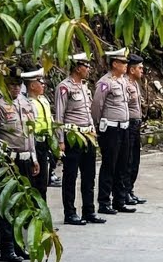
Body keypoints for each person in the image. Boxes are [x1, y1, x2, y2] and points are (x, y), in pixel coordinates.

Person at [0, 72, 40, 262]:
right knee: (6, 204)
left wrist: (34, 157)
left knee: (22, 203)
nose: (15, 88)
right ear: (5, 84)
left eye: (18, 85)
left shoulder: (26, 103)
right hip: (7, 161)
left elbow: (30, 133)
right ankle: (7, 248)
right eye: (12, 85)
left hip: (25, 158)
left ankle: (20, 246)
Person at [55, 53, 102, 225]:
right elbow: (59, 115)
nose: (89, 69)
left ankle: (89, 210)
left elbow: (88, 112)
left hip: (87, 135)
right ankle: (70, 212)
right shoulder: (64, 87)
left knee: (89, 175)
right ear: (77, 67)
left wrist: (93, 130)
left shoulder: (84, 86)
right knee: (70, 176)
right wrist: (61, 140)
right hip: (72, 136)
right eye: (86, 66)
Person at [91, 48, 134, 215]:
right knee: (109, 164)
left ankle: (119, 200)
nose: (126, 65)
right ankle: (104, 202)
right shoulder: (105, 82)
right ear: (115, 64)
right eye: (123, 63)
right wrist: (97, 125)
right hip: (110, 128)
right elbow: (97, 106)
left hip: (123, 127)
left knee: (123, 165)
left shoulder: (123, 81)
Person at [23, 69, 56, 198]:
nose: (43, 85)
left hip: (45, 143)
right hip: (34, 143)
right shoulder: (28, 104)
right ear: (32, 86)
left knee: (43, 182)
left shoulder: (43, 100)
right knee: (35, 181)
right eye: (40, 83)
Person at [123, 54, 146, 205]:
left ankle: (130, 189)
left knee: (135, 159)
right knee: (128, 159)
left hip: (136, 124)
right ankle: (124, 192)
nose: (142, 71)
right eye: (140, 68)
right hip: (128, 124)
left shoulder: (135, 83)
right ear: (132, 69)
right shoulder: (124, 84)